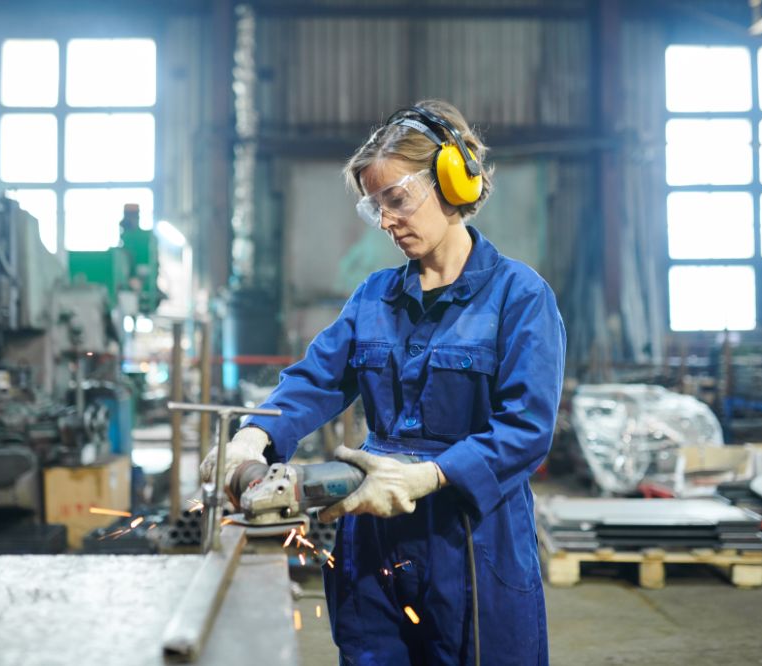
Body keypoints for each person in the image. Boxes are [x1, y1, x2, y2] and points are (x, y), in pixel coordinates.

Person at [200, 99, 566, 665]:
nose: (388, 221)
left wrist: (430, 475)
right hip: (371, 537)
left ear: (452, 180)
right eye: (376, 208)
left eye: (397, 200)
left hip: (470, 541)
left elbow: (527, 430)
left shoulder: (520, 297)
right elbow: (315, 380)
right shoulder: (374, 296)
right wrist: (253, 436)